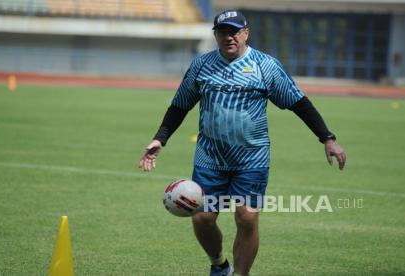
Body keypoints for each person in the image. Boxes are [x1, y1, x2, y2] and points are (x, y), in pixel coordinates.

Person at [138, 10, 346, 276]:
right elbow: (179, 105)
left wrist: (327, 138)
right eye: (223, 32)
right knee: (201, 217)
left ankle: (240, 274)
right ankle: (219, 264)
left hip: (251, 158)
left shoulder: (266, 66)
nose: (229, 37)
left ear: (246, 33)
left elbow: (299, 102)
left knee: (246, 217)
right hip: (210, 158)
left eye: (235, 31)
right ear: (215, 35)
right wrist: (160, 138)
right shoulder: (202, 65)